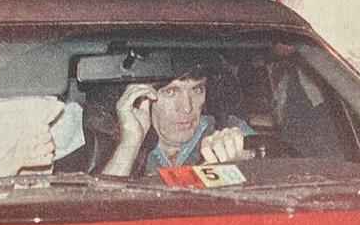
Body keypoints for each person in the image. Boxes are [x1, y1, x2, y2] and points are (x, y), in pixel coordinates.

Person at [101, 53, 254, 177]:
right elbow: (101, 211)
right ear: (144, 97)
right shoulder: (114, 140)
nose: (187, 108)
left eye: (196, 90)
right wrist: (130, 144)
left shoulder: (228, 130)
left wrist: (241, 163)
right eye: (171, 92)